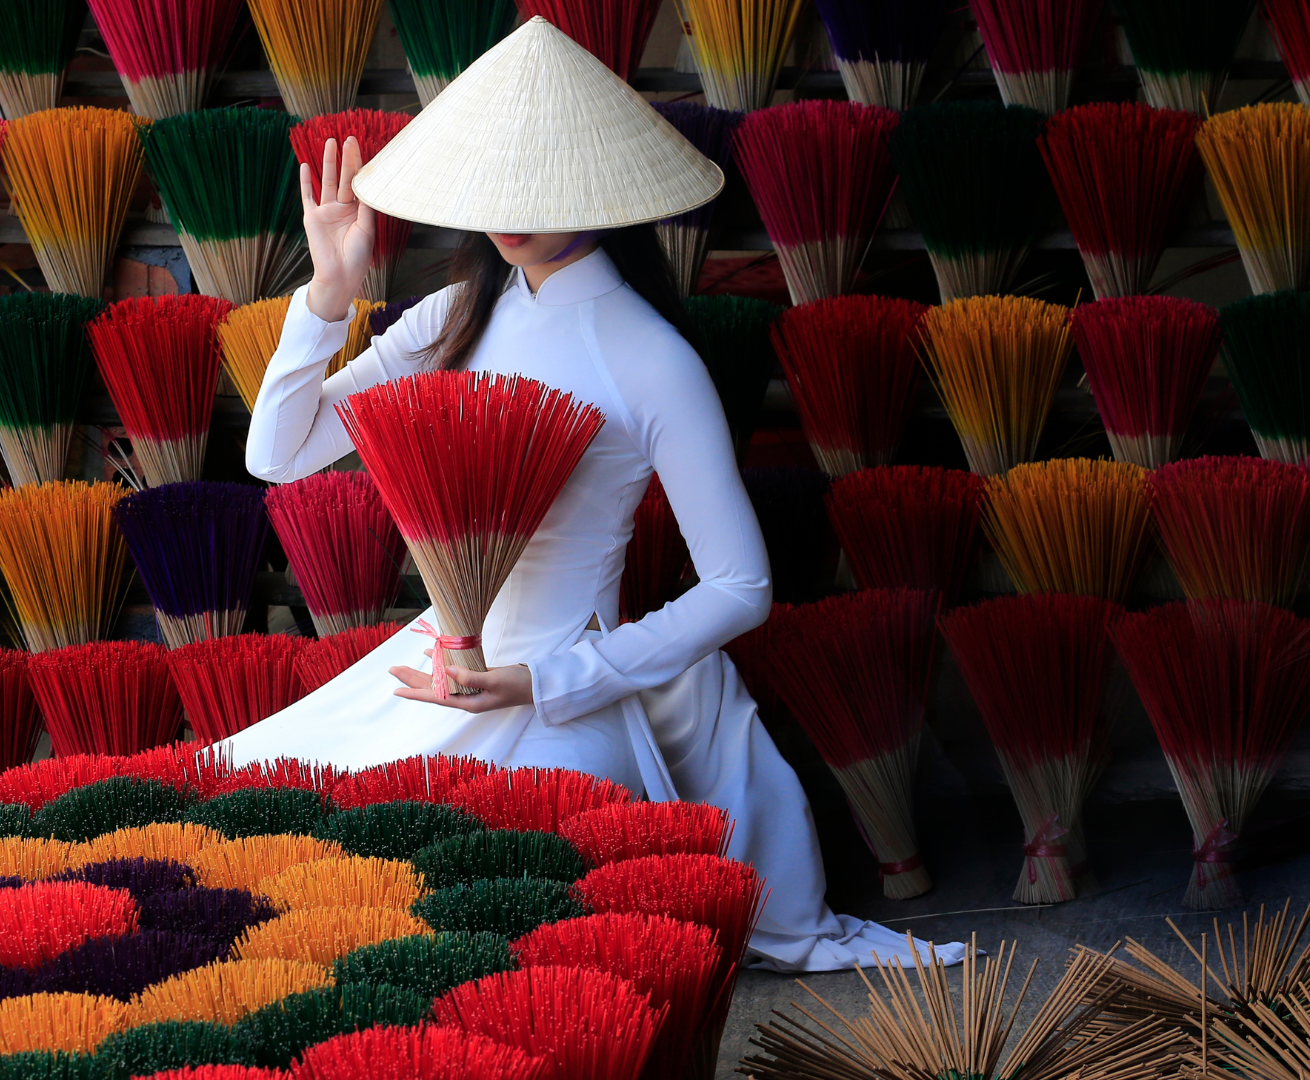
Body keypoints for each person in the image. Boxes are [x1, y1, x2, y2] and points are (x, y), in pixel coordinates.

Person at [218, 17, 962, 973]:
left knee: (507, 929)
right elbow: (279, 456)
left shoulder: (652, 360)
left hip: (564, 696)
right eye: (499, 178)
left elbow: (741, 588)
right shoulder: (455, 312)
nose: (512, 208)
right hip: (437, 673)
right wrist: (329, 291)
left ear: (603, 189)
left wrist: (547, 684)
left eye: (545, 181)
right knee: (264, 859)